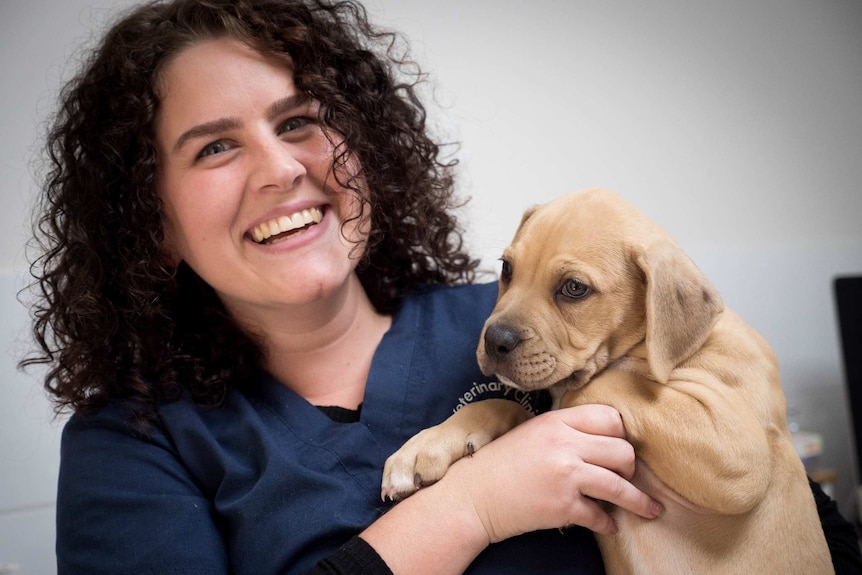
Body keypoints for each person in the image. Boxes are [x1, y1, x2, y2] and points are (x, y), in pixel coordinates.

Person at [20, 0, 860, 574]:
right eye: (214, 147)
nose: (281, 170)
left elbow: (794, 522)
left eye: (299, 122)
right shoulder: (133, 443)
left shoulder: (510, 326)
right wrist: (472, 509)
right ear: (150, 218)